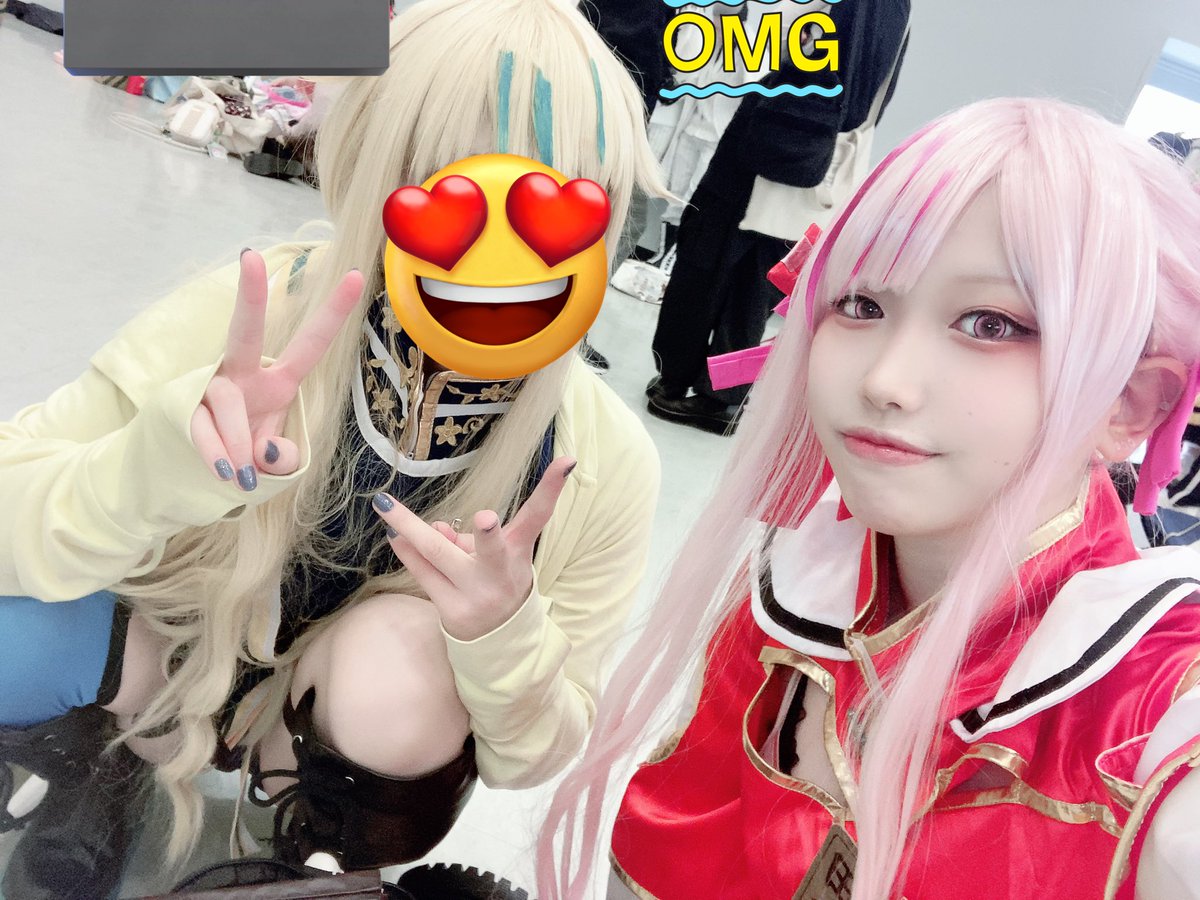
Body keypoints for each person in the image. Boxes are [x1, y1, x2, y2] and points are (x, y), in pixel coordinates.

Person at [0, 0, 665, 895]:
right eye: (447, 187)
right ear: (373, 167)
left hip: (340, 730)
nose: (495, 253)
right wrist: (147, 473)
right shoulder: (255, 308)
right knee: (17, 628)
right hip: (163, 663)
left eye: (550, 204)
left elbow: (531, 755)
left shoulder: (600, 458)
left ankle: (306, 853)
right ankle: (102, 762)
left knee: (403, 660)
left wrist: (502, 637)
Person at [537, 97, 1200, 899]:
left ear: (1129, 404)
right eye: (861, 305)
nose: (885, 381)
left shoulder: (1156, 704)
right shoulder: (801, 579)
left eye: (991, 324)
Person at [645, 0, 910, 435]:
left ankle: (703, 392)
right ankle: (712, 392)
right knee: (748, 286)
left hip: (775, 155)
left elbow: (835, 87)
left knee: (721, 273)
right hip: (789, 156)